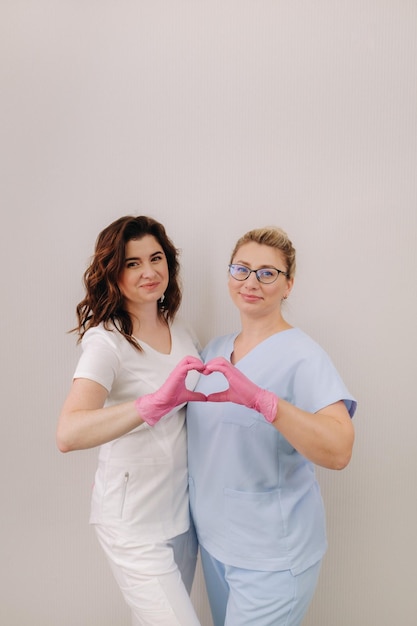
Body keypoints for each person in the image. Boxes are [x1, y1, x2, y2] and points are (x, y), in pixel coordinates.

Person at [186, 226, 357, 626]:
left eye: (267, 273)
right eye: (241, 269)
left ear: (288, 285)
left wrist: (265, 402)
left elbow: (339, 450)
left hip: (271, 557)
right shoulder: (214, 350)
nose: (251, 282)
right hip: (215, 546)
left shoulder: (303, 356)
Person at [56, 215, 205, 626]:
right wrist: (153, 404)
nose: (149, 271)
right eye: (133, 263)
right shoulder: (105, 342)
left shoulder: (183, 330)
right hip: (133, 522)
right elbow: (69, 432)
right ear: (113, 272)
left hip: (180, 515)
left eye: (156, 258)